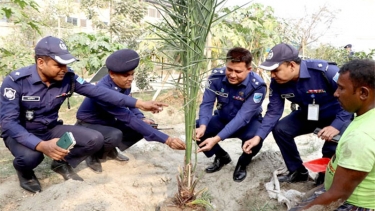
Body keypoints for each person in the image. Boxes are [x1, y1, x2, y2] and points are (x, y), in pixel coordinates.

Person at [0, 36, 167, 193]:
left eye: (66, 65)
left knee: (95, 139)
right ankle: (25, 173)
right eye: (59, 65)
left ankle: (61, 163)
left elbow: (99, 92)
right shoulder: (16, 81)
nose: (64, 69)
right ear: (41, 62)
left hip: (49, 127)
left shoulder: (68, 77)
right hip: (22, 131)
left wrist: (139, 103)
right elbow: (8, 123)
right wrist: (42, 146)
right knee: (32, 157)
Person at [243, 43, 353, 184]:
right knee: (281, 129)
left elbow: (351, 98)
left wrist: (336, 125)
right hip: (308, 114)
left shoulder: (326, 71)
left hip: (337, 116)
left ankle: (326, 176)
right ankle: (297, 171)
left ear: (292, 65)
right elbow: (273, 112)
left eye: (276, 70)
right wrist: (258, 136)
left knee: (332, 146)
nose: (272, 75)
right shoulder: (277, 82)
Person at [76, 49, 186, 173]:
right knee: (115, 134)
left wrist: (141, 117)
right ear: (112, 74)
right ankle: (94, 155)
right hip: (89, 124)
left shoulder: (123, 83)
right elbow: (128, 118)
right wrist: (167, 140)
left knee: (145, 124)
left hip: (108, 120)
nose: (131, 78)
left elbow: (129, 101)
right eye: (126, 75)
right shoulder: (103, 90)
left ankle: (111, 149)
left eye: (132, 74)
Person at [292, 59, 375, 211]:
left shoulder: (361, 137)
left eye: (341, 88)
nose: (335, 94)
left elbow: (339, 194)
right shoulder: (367, 116)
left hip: (354, 203)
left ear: (363, 93)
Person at [195, 47, 266, 182]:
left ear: (249, 70)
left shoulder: (258, 86)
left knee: (256, 138)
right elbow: (207, 104)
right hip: (223, 118)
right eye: (229, 69)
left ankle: (243, 163)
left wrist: (216, 139)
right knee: (196, 128)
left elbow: (242, 118)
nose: (232, 75)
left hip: (247, 123)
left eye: (238, 71)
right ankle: (222, 157)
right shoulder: (216, 77)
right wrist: (203, 125)